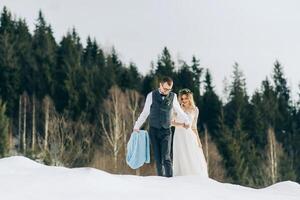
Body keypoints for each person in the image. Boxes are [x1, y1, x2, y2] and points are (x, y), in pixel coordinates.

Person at [133, 77, 190, 177]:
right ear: (160, 85)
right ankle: (161, 181)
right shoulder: (151, 95)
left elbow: (179, 111)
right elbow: (145, 113)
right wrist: (137, 126)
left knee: (166, 157)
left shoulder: (173, 96)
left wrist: (187, 120)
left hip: (166, 131)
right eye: (165, 89)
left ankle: (169, 179)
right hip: (153, 130)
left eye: (169, 89)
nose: (167, 91)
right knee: (158, 159)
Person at [172, 88, 208, 177]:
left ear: (190, 98)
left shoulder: (195, 110)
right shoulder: (177, 109)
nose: (184, 100)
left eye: (186, 98)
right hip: (179, 136)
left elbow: (194, 127)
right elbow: (170, 122)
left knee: (192, 155)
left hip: (190, 136)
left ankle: (194, 177)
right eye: (182, 98)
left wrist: (198, 140)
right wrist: (182, 125)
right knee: (181, 155)